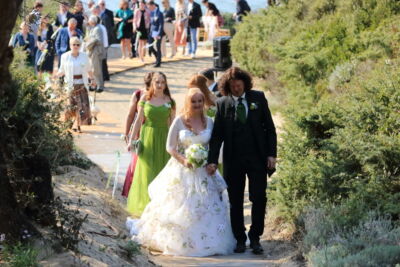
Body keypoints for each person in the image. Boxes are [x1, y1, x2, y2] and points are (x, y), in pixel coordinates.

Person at [126, 88, 235, 256]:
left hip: (204, 170)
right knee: (180, 205)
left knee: (206, 206)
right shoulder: (179, 121)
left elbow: (215, 145)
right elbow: (170, 147)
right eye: (194, 101)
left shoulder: (209, 122)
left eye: (200, 101)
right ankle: (179, 241)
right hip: (182, 169)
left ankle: (208, 240)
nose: (197, 104)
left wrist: (212, 163)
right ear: (188, 102)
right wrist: (184, 160)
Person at [206, 67, 277, 255]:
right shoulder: (222, 104)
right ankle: (239, 239)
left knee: (258, 197)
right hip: (233, 159)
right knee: (235, 201)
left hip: (257, 158)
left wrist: (272, 155)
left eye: (239, 85)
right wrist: (212, 160)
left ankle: (255, 238)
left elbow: (270, 129)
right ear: (227, 87)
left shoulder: (258, 98)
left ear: (245, 83)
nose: (236, 89)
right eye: (233, 86)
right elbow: (217, 136)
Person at [126, 72, 176, 216]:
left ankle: (161, 206)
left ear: (165, 84)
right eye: (157, 82)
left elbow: (173, 124)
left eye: (162, 82)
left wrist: (175, 143)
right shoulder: (145, 98)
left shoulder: (170, 101)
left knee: (162, 171)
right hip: (147, 138)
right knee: (147, 172)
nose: (159, 85)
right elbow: (138, 121)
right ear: (152, 83)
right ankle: (146, 205)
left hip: (164, 138)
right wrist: (131, 140)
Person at [122, 72, 154, 197]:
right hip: (139, 132)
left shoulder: (160, 95)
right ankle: (134, 189)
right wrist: (127, 133)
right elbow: (130, 115)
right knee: (137, 161)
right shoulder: (138, 94)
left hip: (154, 131)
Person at [58, 37, 95, 133]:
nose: (75, 46)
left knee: (81, 107)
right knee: (71, 106)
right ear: (70, 45)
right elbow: (61, 70)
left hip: (82, 84)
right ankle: (70, 123)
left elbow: (89, 69)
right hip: (70, 85)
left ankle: (77, 125)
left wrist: (93, 79)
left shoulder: (84, 56)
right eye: (73, 44)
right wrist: (54, 76)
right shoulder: (64, 56)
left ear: (80, 46)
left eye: (78, 44)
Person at [86, 15, 106, 93]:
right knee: (92, 69)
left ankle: (100, 86)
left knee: (97, 70)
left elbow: (98, 40)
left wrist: (89, 43)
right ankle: (94, 85)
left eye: (90, 20)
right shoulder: (93, 28)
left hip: (96, 51)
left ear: (93, 21)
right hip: (92, 51)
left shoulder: (98, 29)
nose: (89, 22)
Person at [147, 1, 164, 68]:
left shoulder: (159, 13)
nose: (149, 8)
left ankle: (158, 62)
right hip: (151, 32)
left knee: (158, 47)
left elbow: (161, 25)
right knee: (150, 46)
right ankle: (157, 55)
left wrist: (159, 34)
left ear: (153, 5)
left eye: (149, 7)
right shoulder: (151, 13)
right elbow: (151, 23)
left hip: (157, 32)